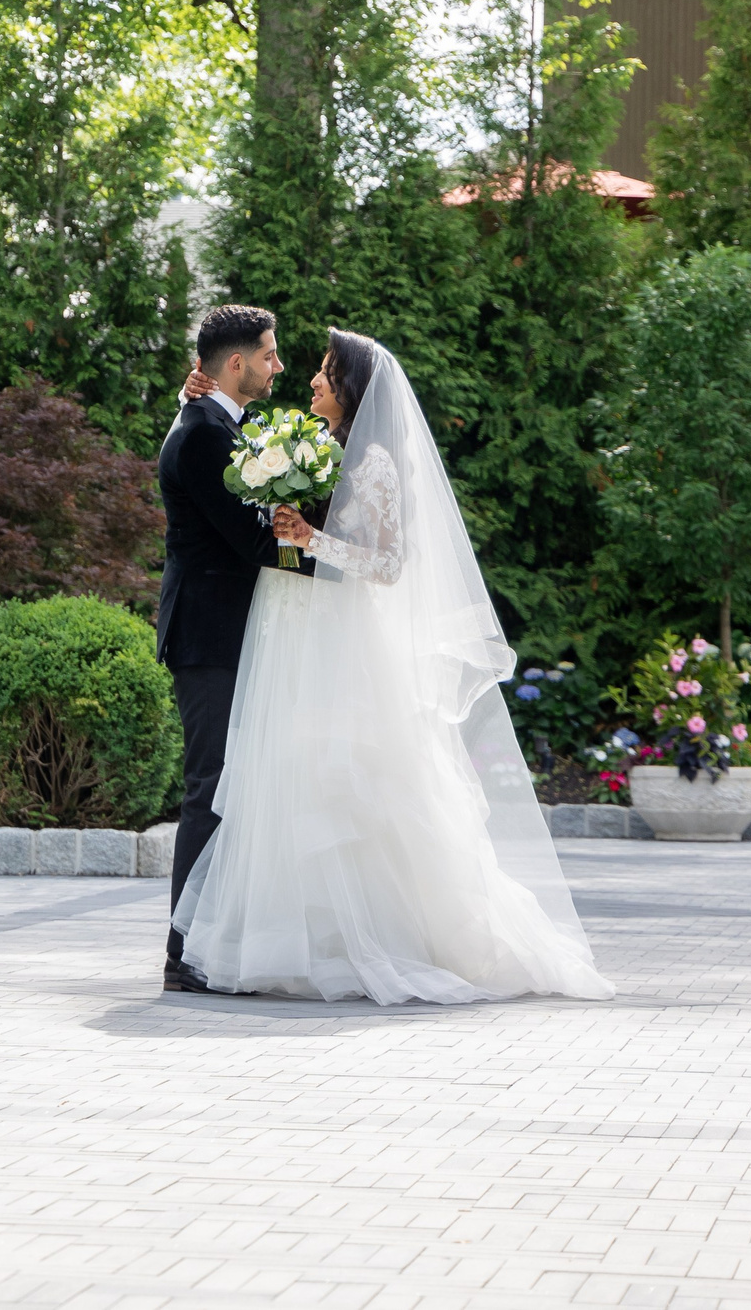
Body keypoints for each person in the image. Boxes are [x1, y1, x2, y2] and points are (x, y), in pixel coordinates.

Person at [170, 330, 612, 1004]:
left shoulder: (373, 461)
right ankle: (303, 940)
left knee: (355, 786)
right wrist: (193, 393)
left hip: (344, 643)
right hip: (304, 635)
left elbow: (387, 563)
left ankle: (375, 937)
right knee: (302, 784)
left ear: (349, 388)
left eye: (322, 373)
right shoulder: (321, 450)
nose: (308, 381)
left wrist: (311, 539)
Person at [154, 305, 303, 993]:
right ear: (236, 364)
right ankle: (184, 952)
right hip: (209, 635)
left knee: (228, 789)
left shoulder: (221, 424)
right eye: (270, 356)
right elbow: (250, 542)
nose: (279, 367)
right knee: (209, 790)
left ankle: (213, 939)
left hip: (229, 633)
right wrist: (329, 557)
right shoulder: (203, 436)